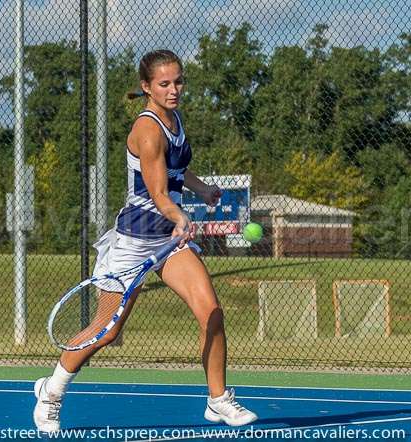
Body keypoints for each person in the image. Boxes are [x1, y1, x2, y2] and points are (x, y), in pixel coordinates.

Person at [33, 49, 258, 432]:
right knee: (108, 330)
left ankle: (218, 399)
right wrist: (179, 215)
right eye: (165, 84)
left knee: (212, 313)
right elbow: (157, 191)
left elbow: (176, 171)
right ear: (147, 87)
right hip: (135, 240)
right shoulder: (148, 129)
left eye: (178, 81)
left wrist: (201, 189)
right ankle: (51, 391)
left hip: (167, 243)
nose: (174, 90)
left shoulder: (176, 119)